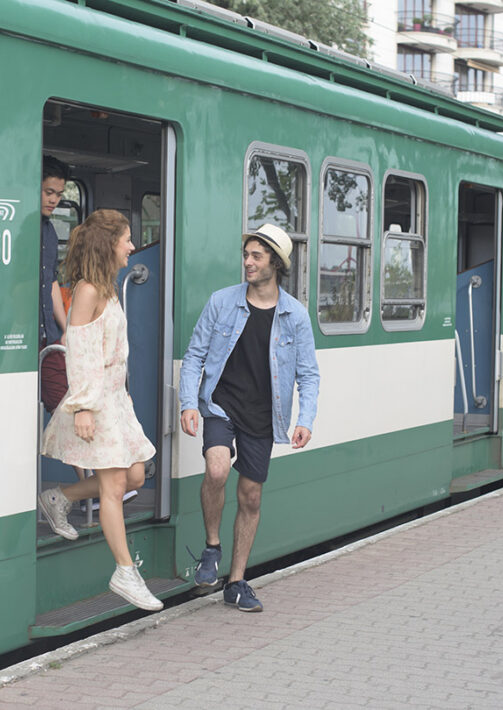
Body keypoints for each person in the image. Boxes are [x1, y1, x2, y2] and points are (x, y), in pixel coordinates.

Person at [178, 223, 320, 612]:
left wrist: (305, 418)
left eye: (257, 256)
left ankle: (236, 582)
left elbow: (308, 374)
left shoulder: (295, 316)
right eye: (246, 255)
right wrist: (189, 403)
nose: (248, 262)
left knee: (251, 497)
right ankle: (211, 547)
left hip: (265, 413)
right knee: (218, 470)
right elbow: (194, 356)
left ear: (276, 262)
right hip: (222, 405)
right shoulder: (222, 302)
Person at [38, 209, 162, 612]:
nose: (131, 246)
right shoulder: (89, 290)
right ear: (109, 243)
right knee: (112, 487)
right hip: (97, 401)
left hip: (114, 400)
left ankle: (60, 497)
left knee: (136, 475)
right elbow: (79, 352)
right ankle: (125, 572)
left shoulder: (106, 288)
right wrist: (85, 407)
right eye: (127, 239)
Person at [40, 155, 69, 347]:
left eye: (59, 195)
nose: (53, 200)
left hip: (48, 334)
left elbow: (51, 282)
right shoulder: (19, 228)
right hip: (22, 333)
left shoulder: (50, 232)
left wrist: (66, 329)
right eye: (49, 192)